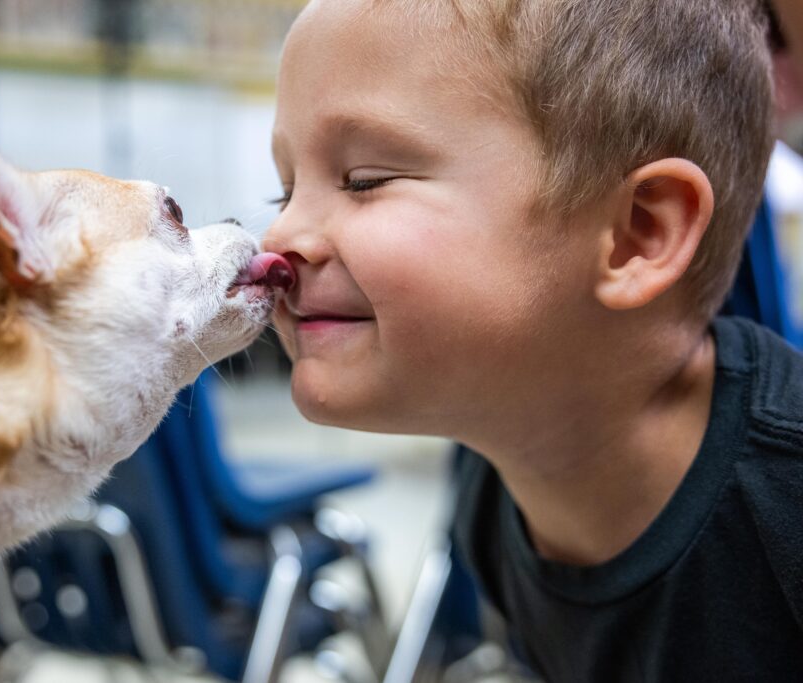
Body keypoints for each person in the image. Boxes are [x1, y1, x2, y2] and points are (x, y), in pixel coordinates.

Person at [262, 0, 803, 680]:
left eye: (365, 180)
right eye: (281, 193)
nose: (277, 241)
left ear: (639, 232)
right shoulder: (494, 496)